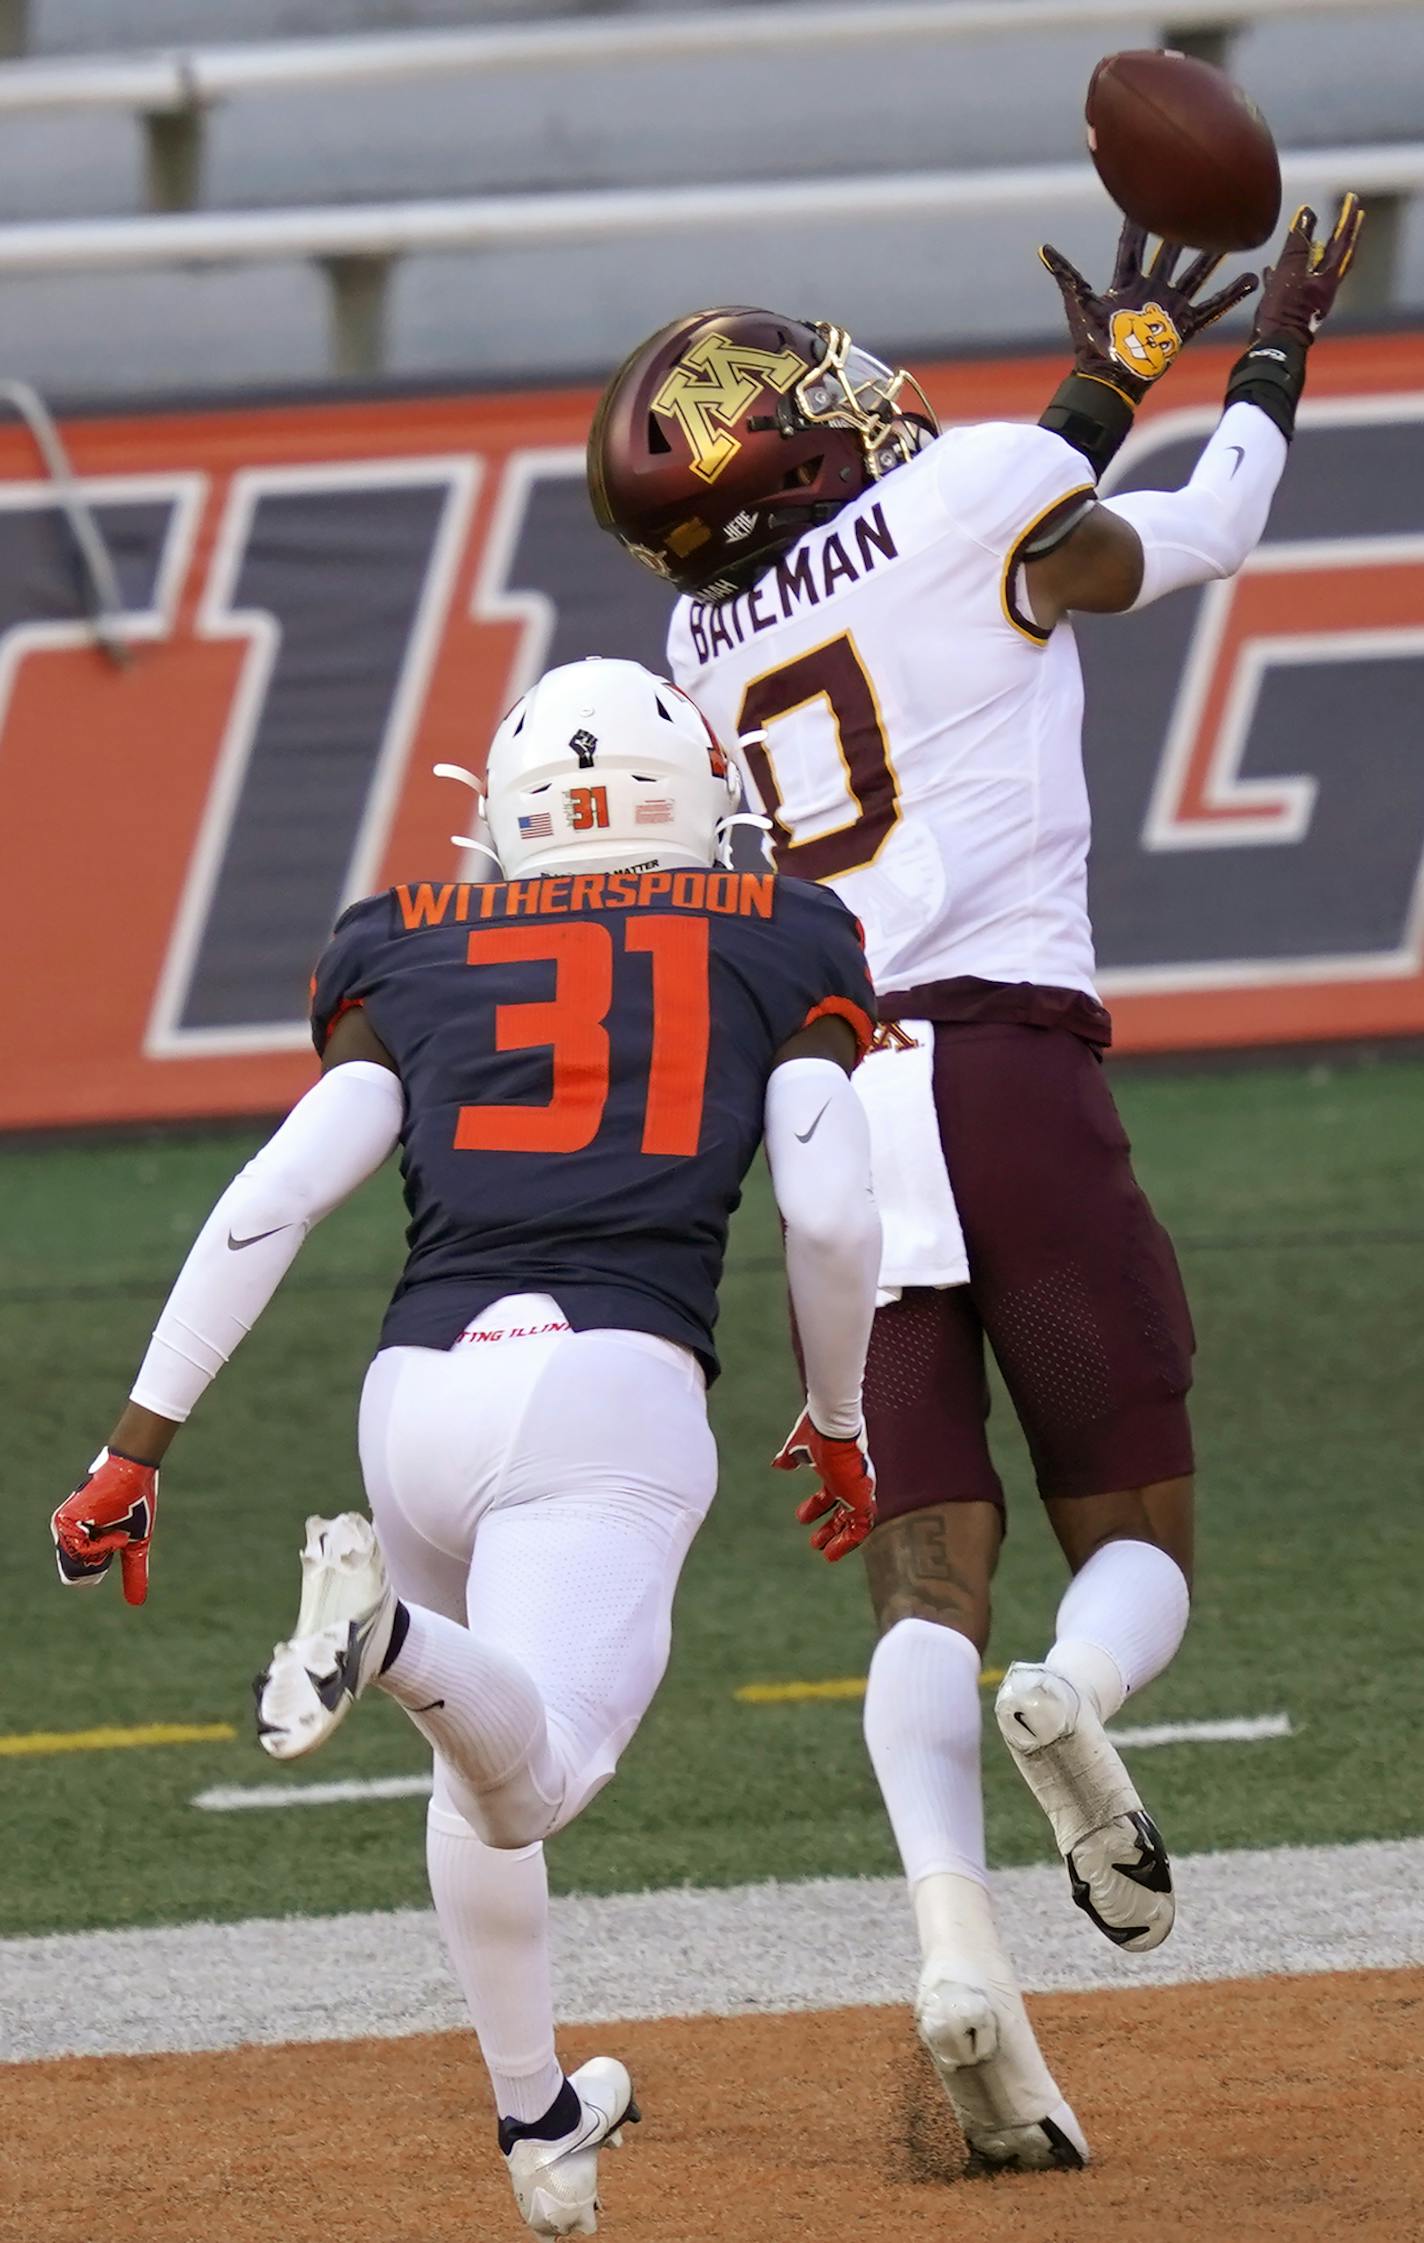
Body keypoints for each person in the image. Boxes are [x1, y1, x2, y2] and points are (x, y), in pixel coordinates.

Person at [587, 198, 1363, 2171]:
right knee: (1141, 1539)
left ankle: (956, 1960)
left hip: (830, 1110)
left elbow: (1008, 519)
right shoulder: (970, 505)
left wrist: (1101, 383)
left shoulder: (692, 639)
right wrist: (1247, 352)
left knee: (918, 1573)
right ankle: (1075, 1694)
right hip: (1008, 1064)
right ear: (787, 431)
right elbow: (1177, 534)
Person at [50, 657, 882, 2240]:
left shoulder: (405, 944)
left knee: (469, 1765)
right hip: (608, 1384)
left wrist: (132, 1449)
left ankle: (539, 2121)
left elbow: (271, 1201)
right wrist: (838, 1420)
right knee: (538, 1778)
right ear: (700, 798)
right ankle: (391, 1633)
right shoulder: (782, 930)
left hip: (416, 1391)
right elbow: (834, 1210)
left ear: (500, 822)